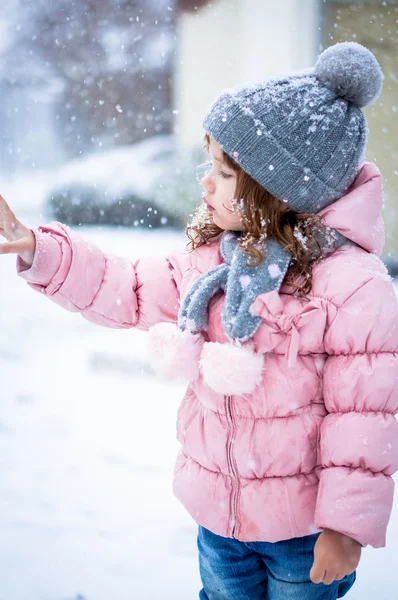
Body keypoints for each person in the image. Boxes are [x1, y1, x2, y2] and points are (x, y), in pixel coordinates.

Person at [0, 42, 397, 600]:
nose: (205, 184)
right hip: (219, 520)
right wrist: (40, 250)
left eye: (225, 172)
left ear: (278, 189)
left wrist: (346, 527)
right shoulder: (210, 263)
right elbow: (128, 287)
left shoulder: (351, 285)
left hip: (304, 537)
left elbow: (365, 417)